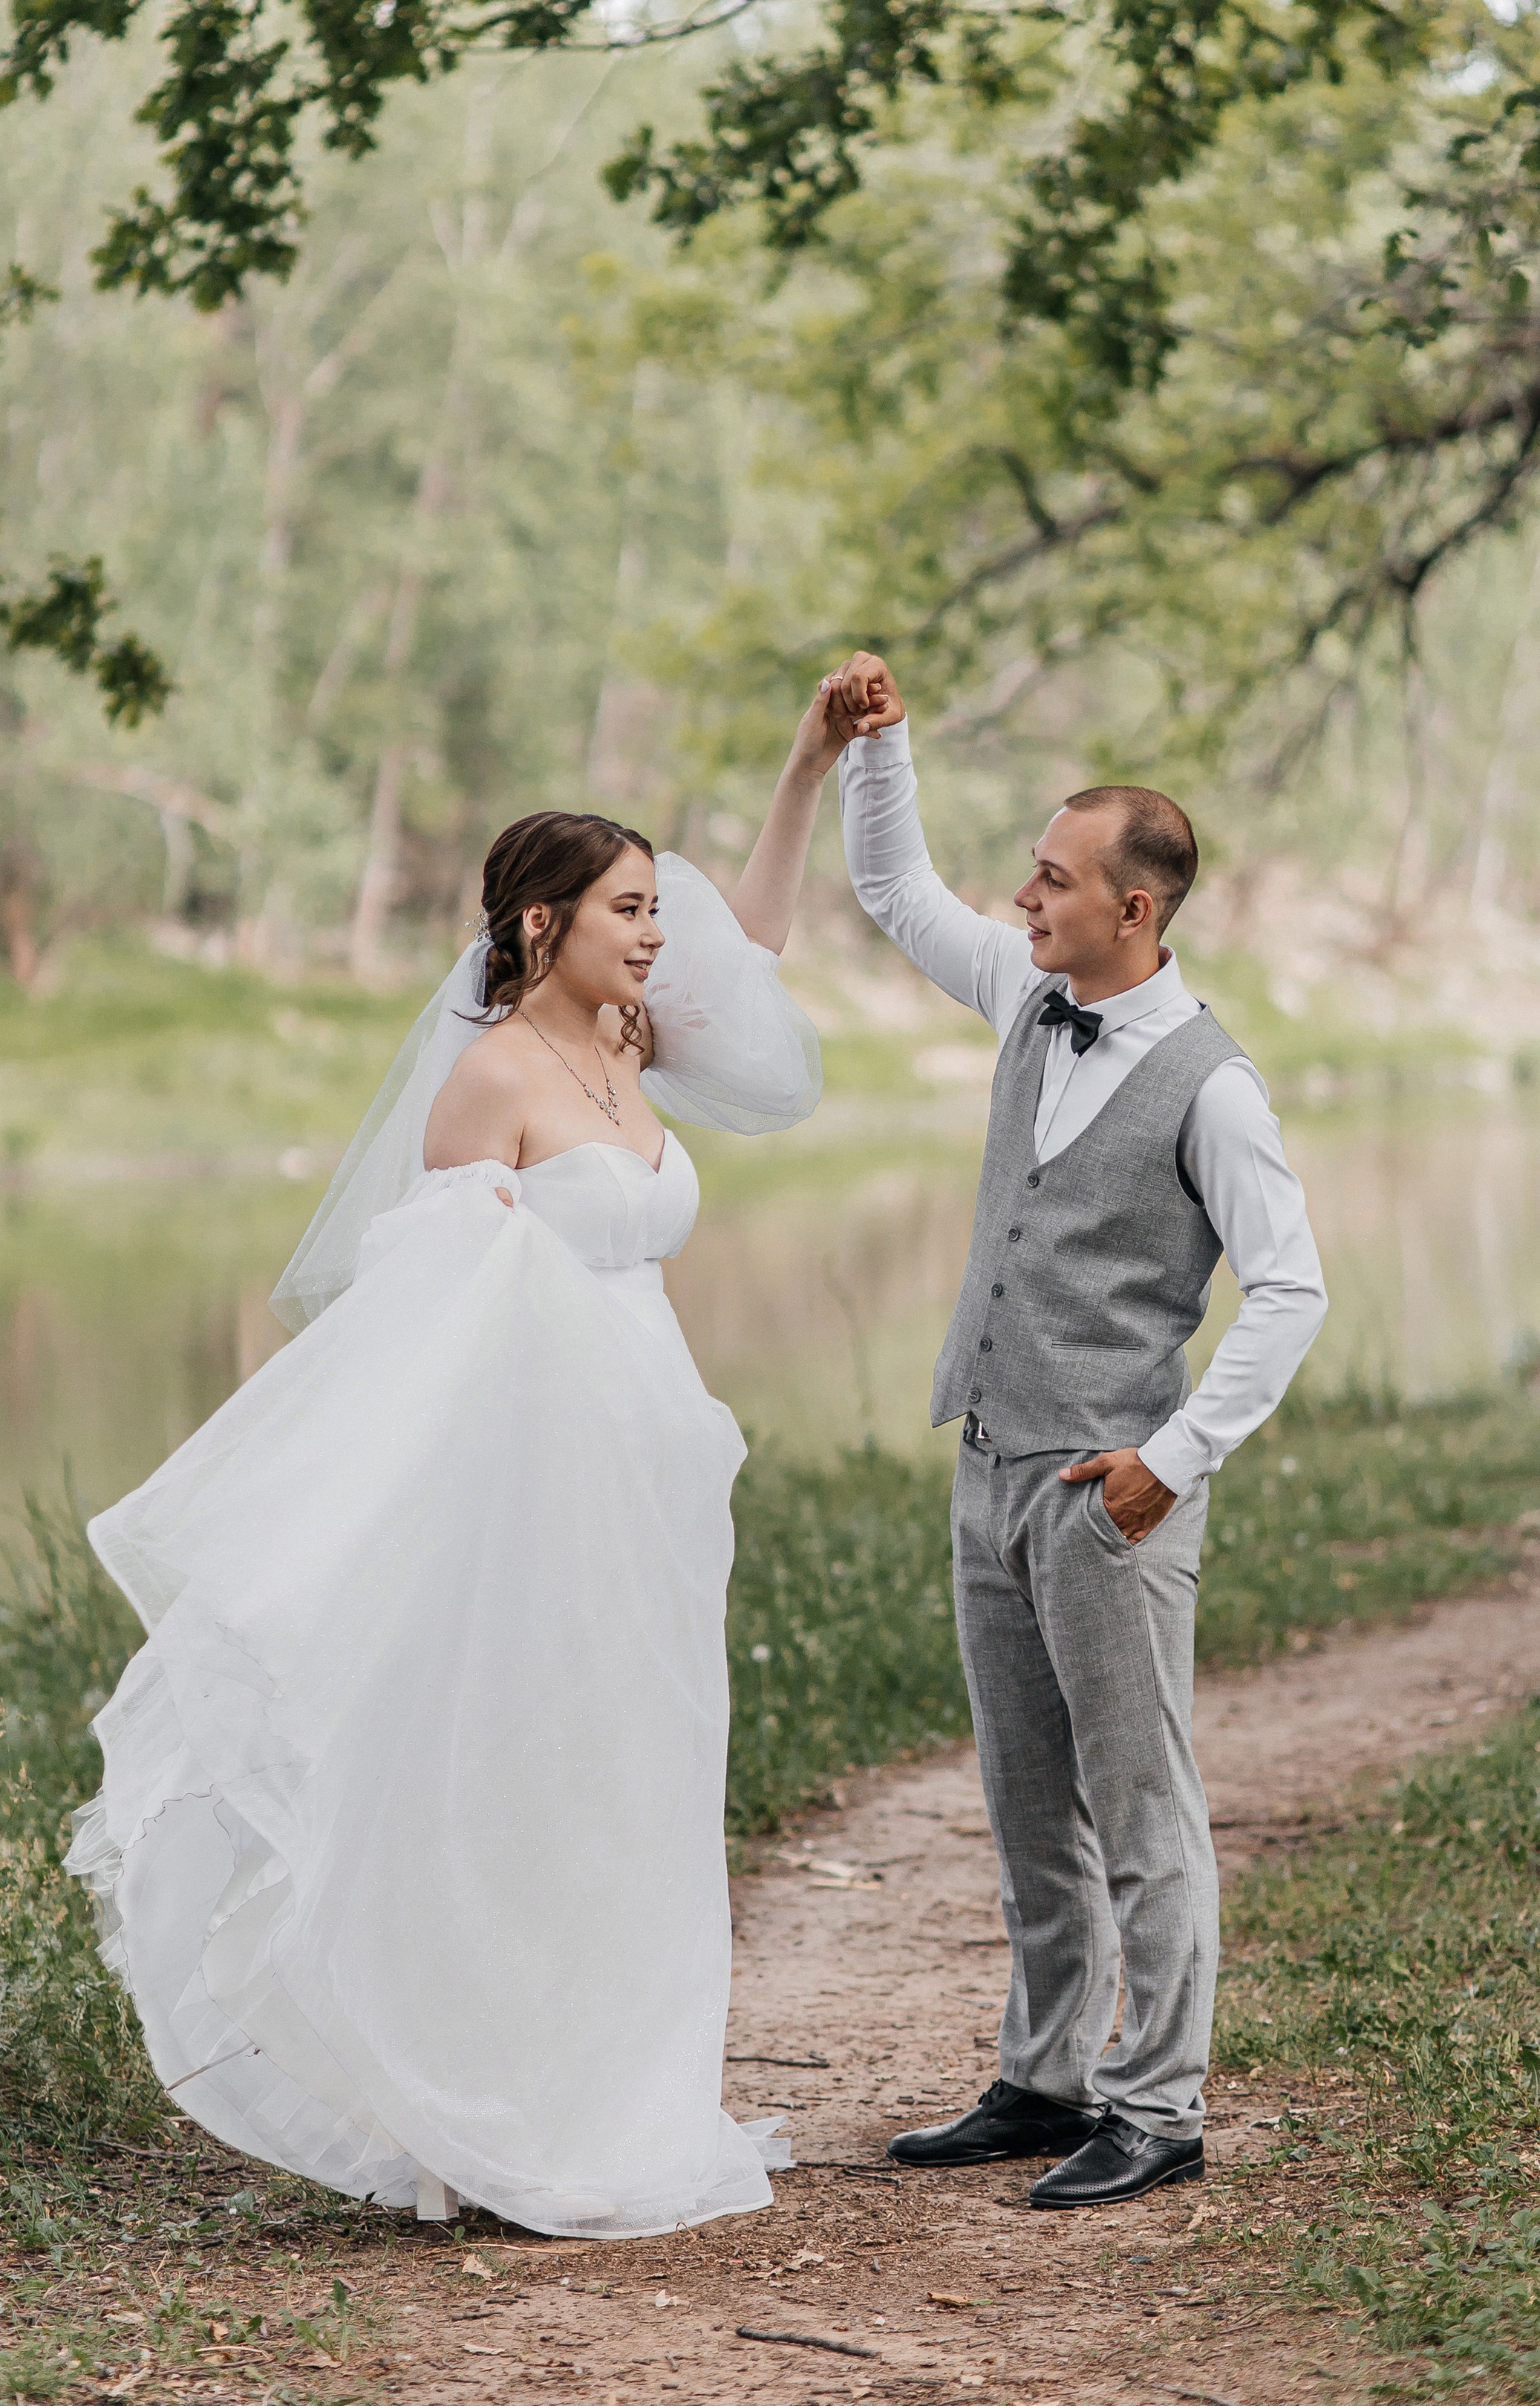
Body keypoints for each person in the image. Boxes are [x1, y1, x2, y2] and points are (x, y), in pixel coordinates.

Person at [64, 691, 853, 2240]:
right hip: (531, 1488)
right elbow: (426, 1320)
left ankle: (622, 2097)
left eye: (655, 912)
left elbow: (749, 946)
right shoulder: (487, 1082)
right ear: (544, 923)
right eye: (630, 913)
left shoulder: (632, 1039)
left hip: (655, 1478)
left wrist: (808, 767)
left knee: (644, 1776)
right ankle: (481, 2112)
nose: (656, 937)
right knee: (524, 1775)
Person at [827, 651, 1327, 2209]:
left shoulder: (1210, 1087)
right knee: (1023, 1799)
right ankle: (1043, 2082)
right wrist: (875, 746)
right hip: (985, 1467)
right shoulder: (1026, 999)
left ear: (1139, 908)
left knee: (1140, 1805)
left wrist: (1163, 1465)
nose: (1022, 896)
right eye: (1029, 874)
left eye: (1051, 878)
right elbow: (892, 888)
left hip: (1108, 1495)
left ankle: (1157, 2108)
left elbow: (1291, 1292)